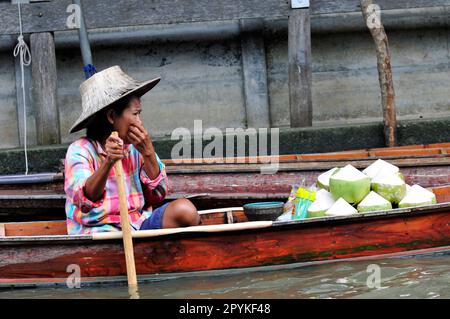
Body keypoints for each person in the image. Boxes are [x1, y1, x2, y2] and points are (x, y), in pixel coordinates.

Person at [64, 66, 200, 235]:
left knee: (185, 210)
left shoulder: (135, 148)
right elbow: (84, 200)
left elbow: (158, 195)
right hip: (98, 233)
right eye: (135, 114)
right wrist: (108, 163)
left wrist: (148, 153)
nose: (139, 122)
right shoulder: (80, 150)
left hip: (138, 226)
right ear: (112, 116)